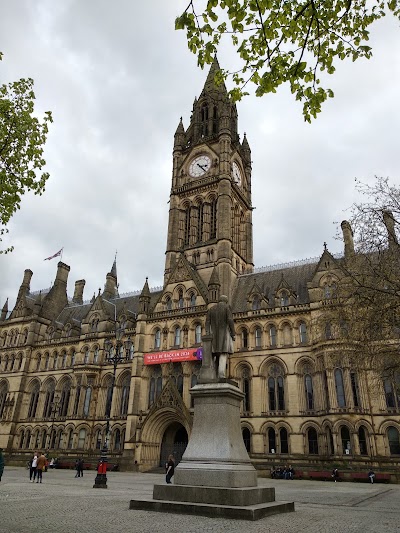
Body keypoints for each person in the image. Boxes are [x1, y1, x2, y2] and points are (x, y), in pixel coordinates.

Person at [205, 295, 236, 379]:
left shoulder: (211, 309)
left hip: (213, 336)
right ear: (225, 301)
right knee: (223, 353)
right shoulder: (227, 307)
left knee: (215, 355)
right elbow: (230, 320)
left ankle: (214, 376)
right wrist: (233, 333)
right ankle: (221, 374)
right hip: (224, 335)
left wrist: (207, 332)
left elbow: (207, 322)